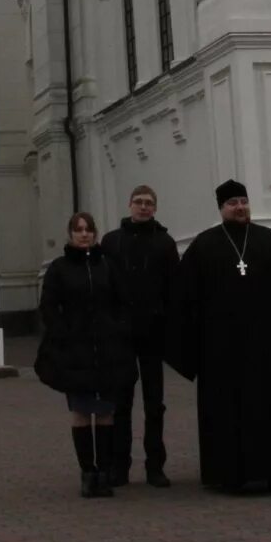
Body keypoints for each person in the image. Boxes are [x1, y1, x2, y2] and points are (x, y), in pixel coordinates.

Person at [167, 180, 271, 492]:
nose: (239, 207)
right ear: (221, 208)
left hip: (269, 347)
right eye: (232, 203)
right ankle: (227, 475)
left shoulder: (269, 240)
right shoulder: (204, 245)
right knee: (227, 414)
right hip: (221, 352)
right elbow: (184, 299)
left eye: (243, 201)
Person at [34, 211, 137, 498]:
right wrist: (63, 333)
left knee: (105, 413)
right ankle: (88, 473)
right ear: (70, 234)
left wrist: (118, 329)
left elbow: (122, 302)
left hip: (107, 351)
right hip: (76, 353)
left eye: (88, 229)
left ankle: (104, 472)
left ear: (94, 233)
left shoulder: (107, 266)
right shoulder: (59, 268)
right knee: (81, 412)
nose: (84, 234)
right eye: (78, 230)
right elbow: (48, 306)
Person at [101, 185, 180, 487]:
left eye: (148, 203)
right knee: (121, 401)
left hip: (152, 332)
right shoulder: (112, 242)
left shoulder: (165, 243)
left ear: (155, 208)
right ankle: (119, 465)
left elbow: (173, 288)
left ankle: (155, 466)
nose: (143, 207)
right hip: (121, 333)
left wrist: (168, 323)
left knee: (154, 403)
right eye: (139, 202)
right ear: (129, 205)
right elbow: (105, 286)